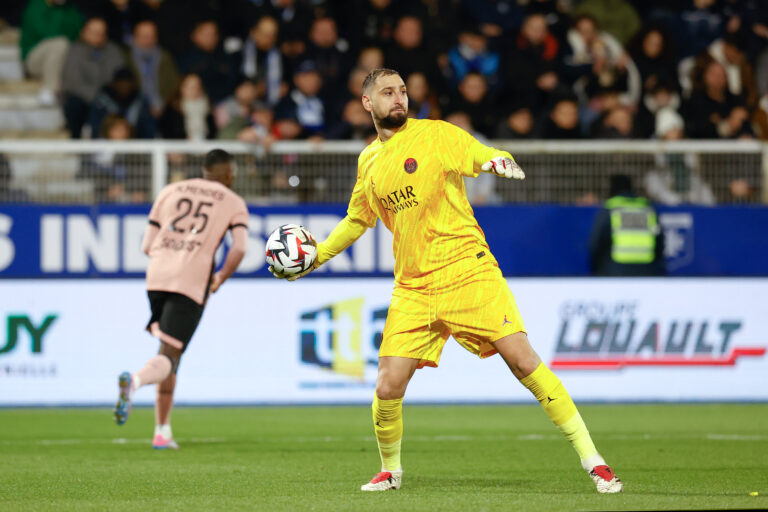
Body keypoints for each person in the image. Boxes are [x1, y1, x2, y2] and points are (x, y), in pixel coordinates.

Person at [271, 68, 623, 494]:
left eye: (402, 90)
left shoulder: (437, 134)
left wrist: (499, 161)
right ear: (368, 103)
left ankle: (595, 461)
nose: (398, 98)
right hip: (414, 286)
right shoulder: (369, 160)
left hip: (467, 270)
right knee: (388, 384)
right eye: (387, 92)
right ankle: (391, 470)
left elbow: (480, 153)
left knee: (523, 361)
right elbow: (356, 219)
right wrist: (316, 258)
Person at [113, 149, 249, 449]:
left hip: (156, 275)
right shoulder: (233, 201)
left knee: (169, 349)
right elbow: (239, 248)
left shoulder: (171, 190)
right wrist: (220, 277)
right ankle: (133, 382)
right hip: (191, 279)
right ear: (228, 173)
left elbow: (147, 244)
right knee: (170, 356)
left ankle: (162, 432)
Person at [589, 174, 665, 276]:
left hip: (616, 271)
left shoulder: (611, 209)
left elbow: (596, 244)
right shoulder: (647, 209)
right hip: (647, 271)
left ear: (612, 190)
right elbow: (660, 242)